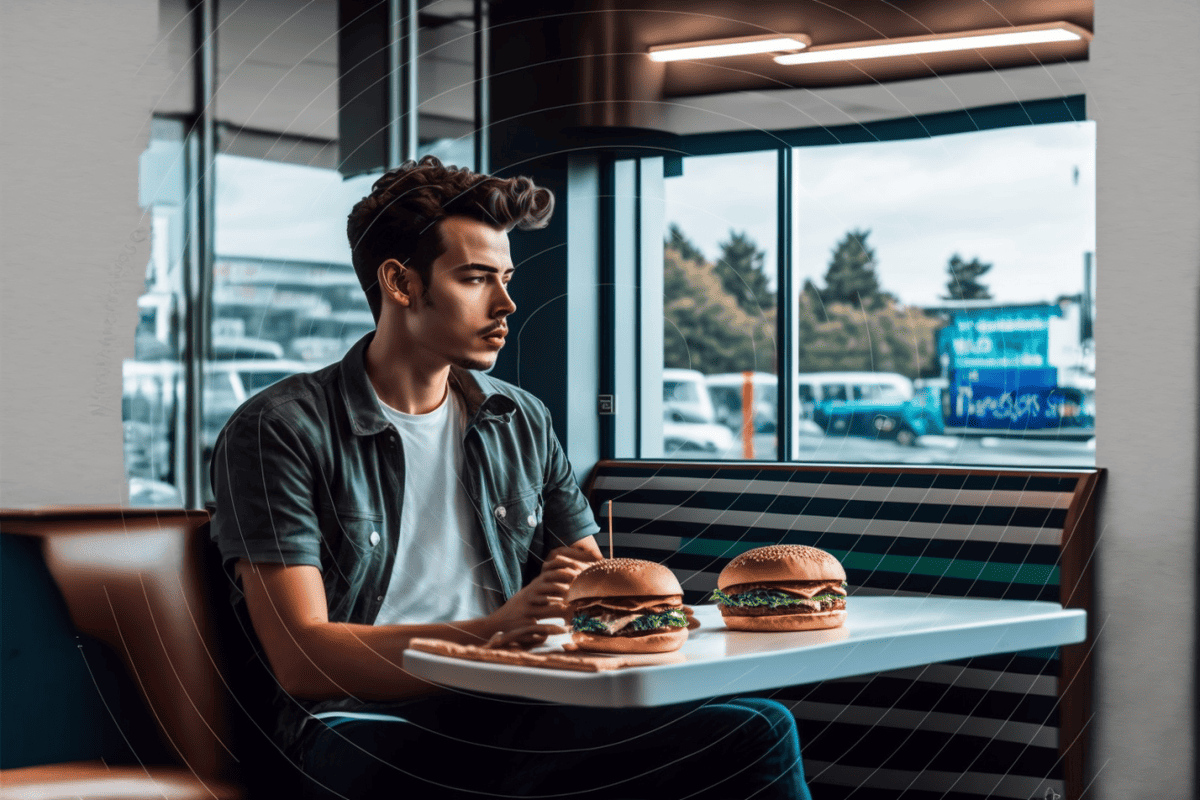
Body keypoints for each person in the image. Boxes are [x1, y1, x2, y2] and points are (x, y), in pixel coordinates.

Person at [209, 155, 813, 799]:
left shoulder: (520, 418)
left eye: (506, 277)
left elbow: (586, 577)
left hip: (511, 703)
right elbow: (304, 659)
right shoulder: (278, 428)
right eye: (476, 279)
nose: (506, 302)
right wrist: (494, 632)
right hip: (354, 725)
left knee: (756, 727)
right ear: (400, 282)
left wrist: (628, 615)